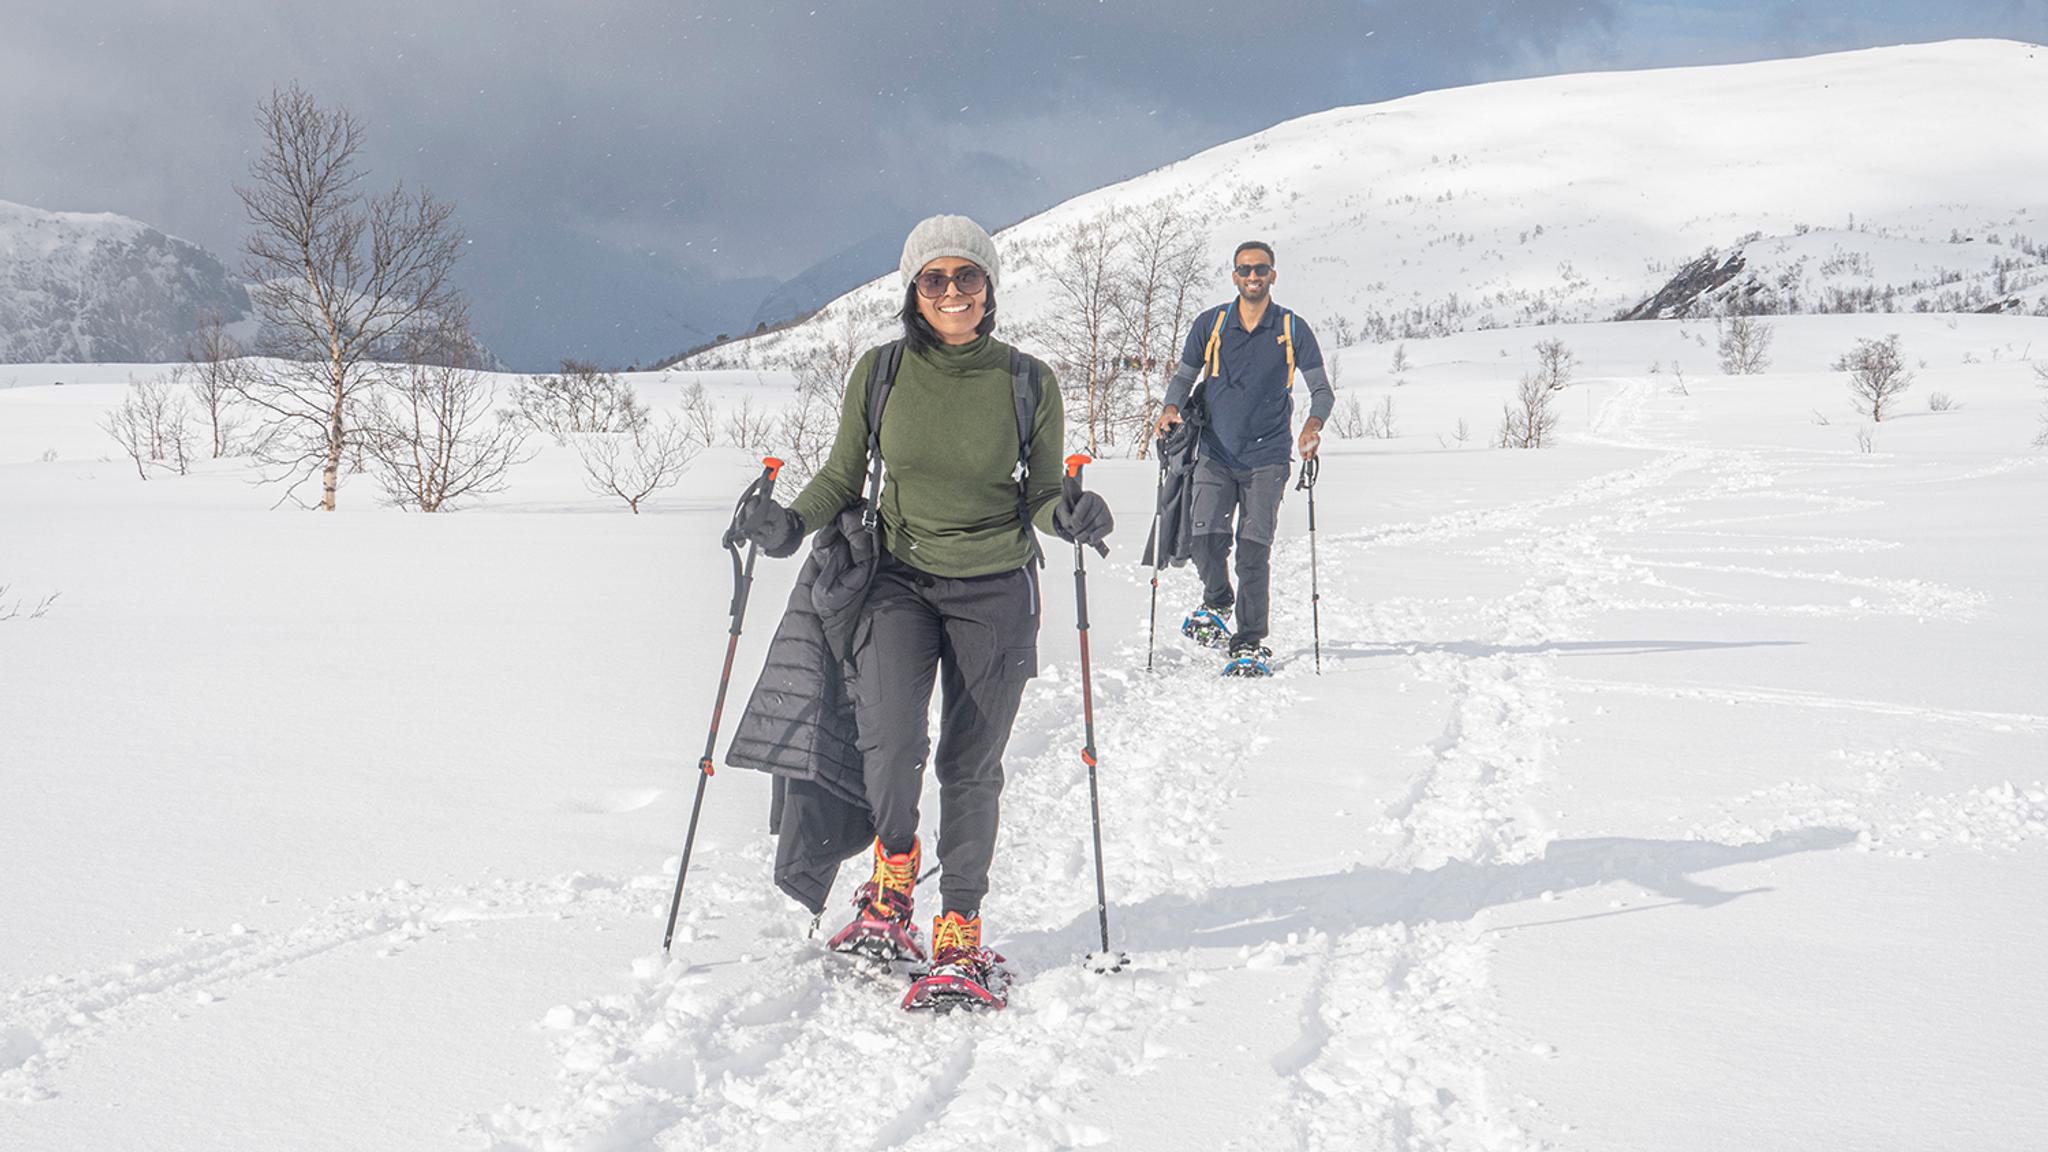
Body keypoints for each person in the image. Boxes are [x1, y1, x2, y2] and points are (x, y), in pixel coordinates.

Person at [727, 214, 1113, 1001]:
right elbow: (842, 474)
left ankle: (960, 929)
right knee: (890, 740)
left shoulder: (1026, 380)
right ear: (912, 291)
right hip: (898, 580)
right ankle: (893, 876)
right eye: (934, 278)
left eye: (967, 276)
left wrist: (1068, 515)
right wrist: (790, 524)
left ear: (989, 288)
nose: (951, 291)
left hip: (996, 586)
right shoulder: (880, 372)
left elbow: (1040, 491)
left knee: (970, 764)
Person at [1153, 240, 1333, 673]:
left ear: (1273, 274)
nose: (1253, 276)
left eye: (1261, 269)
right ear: (1234, 276)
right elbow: (1183, 375)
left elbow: (1322, 390)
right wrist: (1170, 407)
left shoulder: (1292, 328)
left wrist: (1312, 426)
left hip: (1268, 458)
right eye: (1245, 269)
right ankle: (1217, 603)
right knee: (1205, 541)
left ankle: (1249, 641)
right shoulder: (1212, 323)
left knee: (1253, 553)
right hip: (1214, 452)